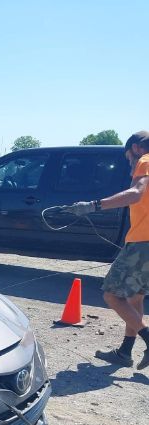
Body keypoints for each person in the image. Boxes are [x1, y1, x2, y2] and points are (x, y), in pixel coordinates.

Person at [65, 131, 149, 369]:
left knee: (111, 294)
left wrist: (93, 206)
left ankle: (148, 337)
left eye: (127, 156)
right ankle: (125, 352)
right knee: (135, 297)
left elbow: (136, 193)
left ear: (135, 148)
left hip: (143, 241)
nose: (129, 162)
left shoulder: (145, 160)